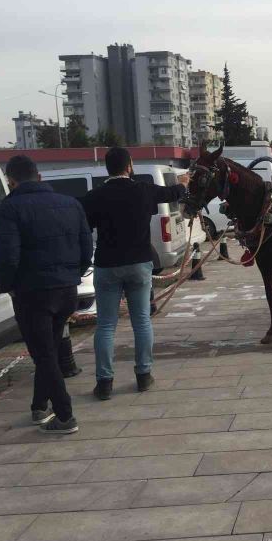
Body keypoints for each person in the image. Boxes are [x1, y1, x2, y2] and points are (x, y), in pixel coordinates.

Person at [0, 155, 93, 434]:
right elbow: (87, 248)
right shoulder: (70, 204)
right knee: (46, 349)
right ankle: (39, 407)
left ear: (11, 182)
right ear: (40, 177)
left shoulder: (10, 207)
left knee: (44, 356)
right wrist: (72, 275)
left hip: (32, 293)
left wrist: (6, 286)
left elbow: (7, 256)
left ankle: (65, 416)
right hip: (66, 291)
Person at [80, 147, 188, 400]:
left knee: (106, 325)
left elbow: (84, 223)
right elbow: (173, 193)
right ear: (129, 166)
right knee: (141, 321)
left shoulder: (94, 196)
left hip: (107, 265)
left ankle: (104, 382)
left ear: (107, 168)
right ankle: (143, 375)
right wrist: (183, 183)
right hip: (139, 263)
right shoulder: (144, 190)